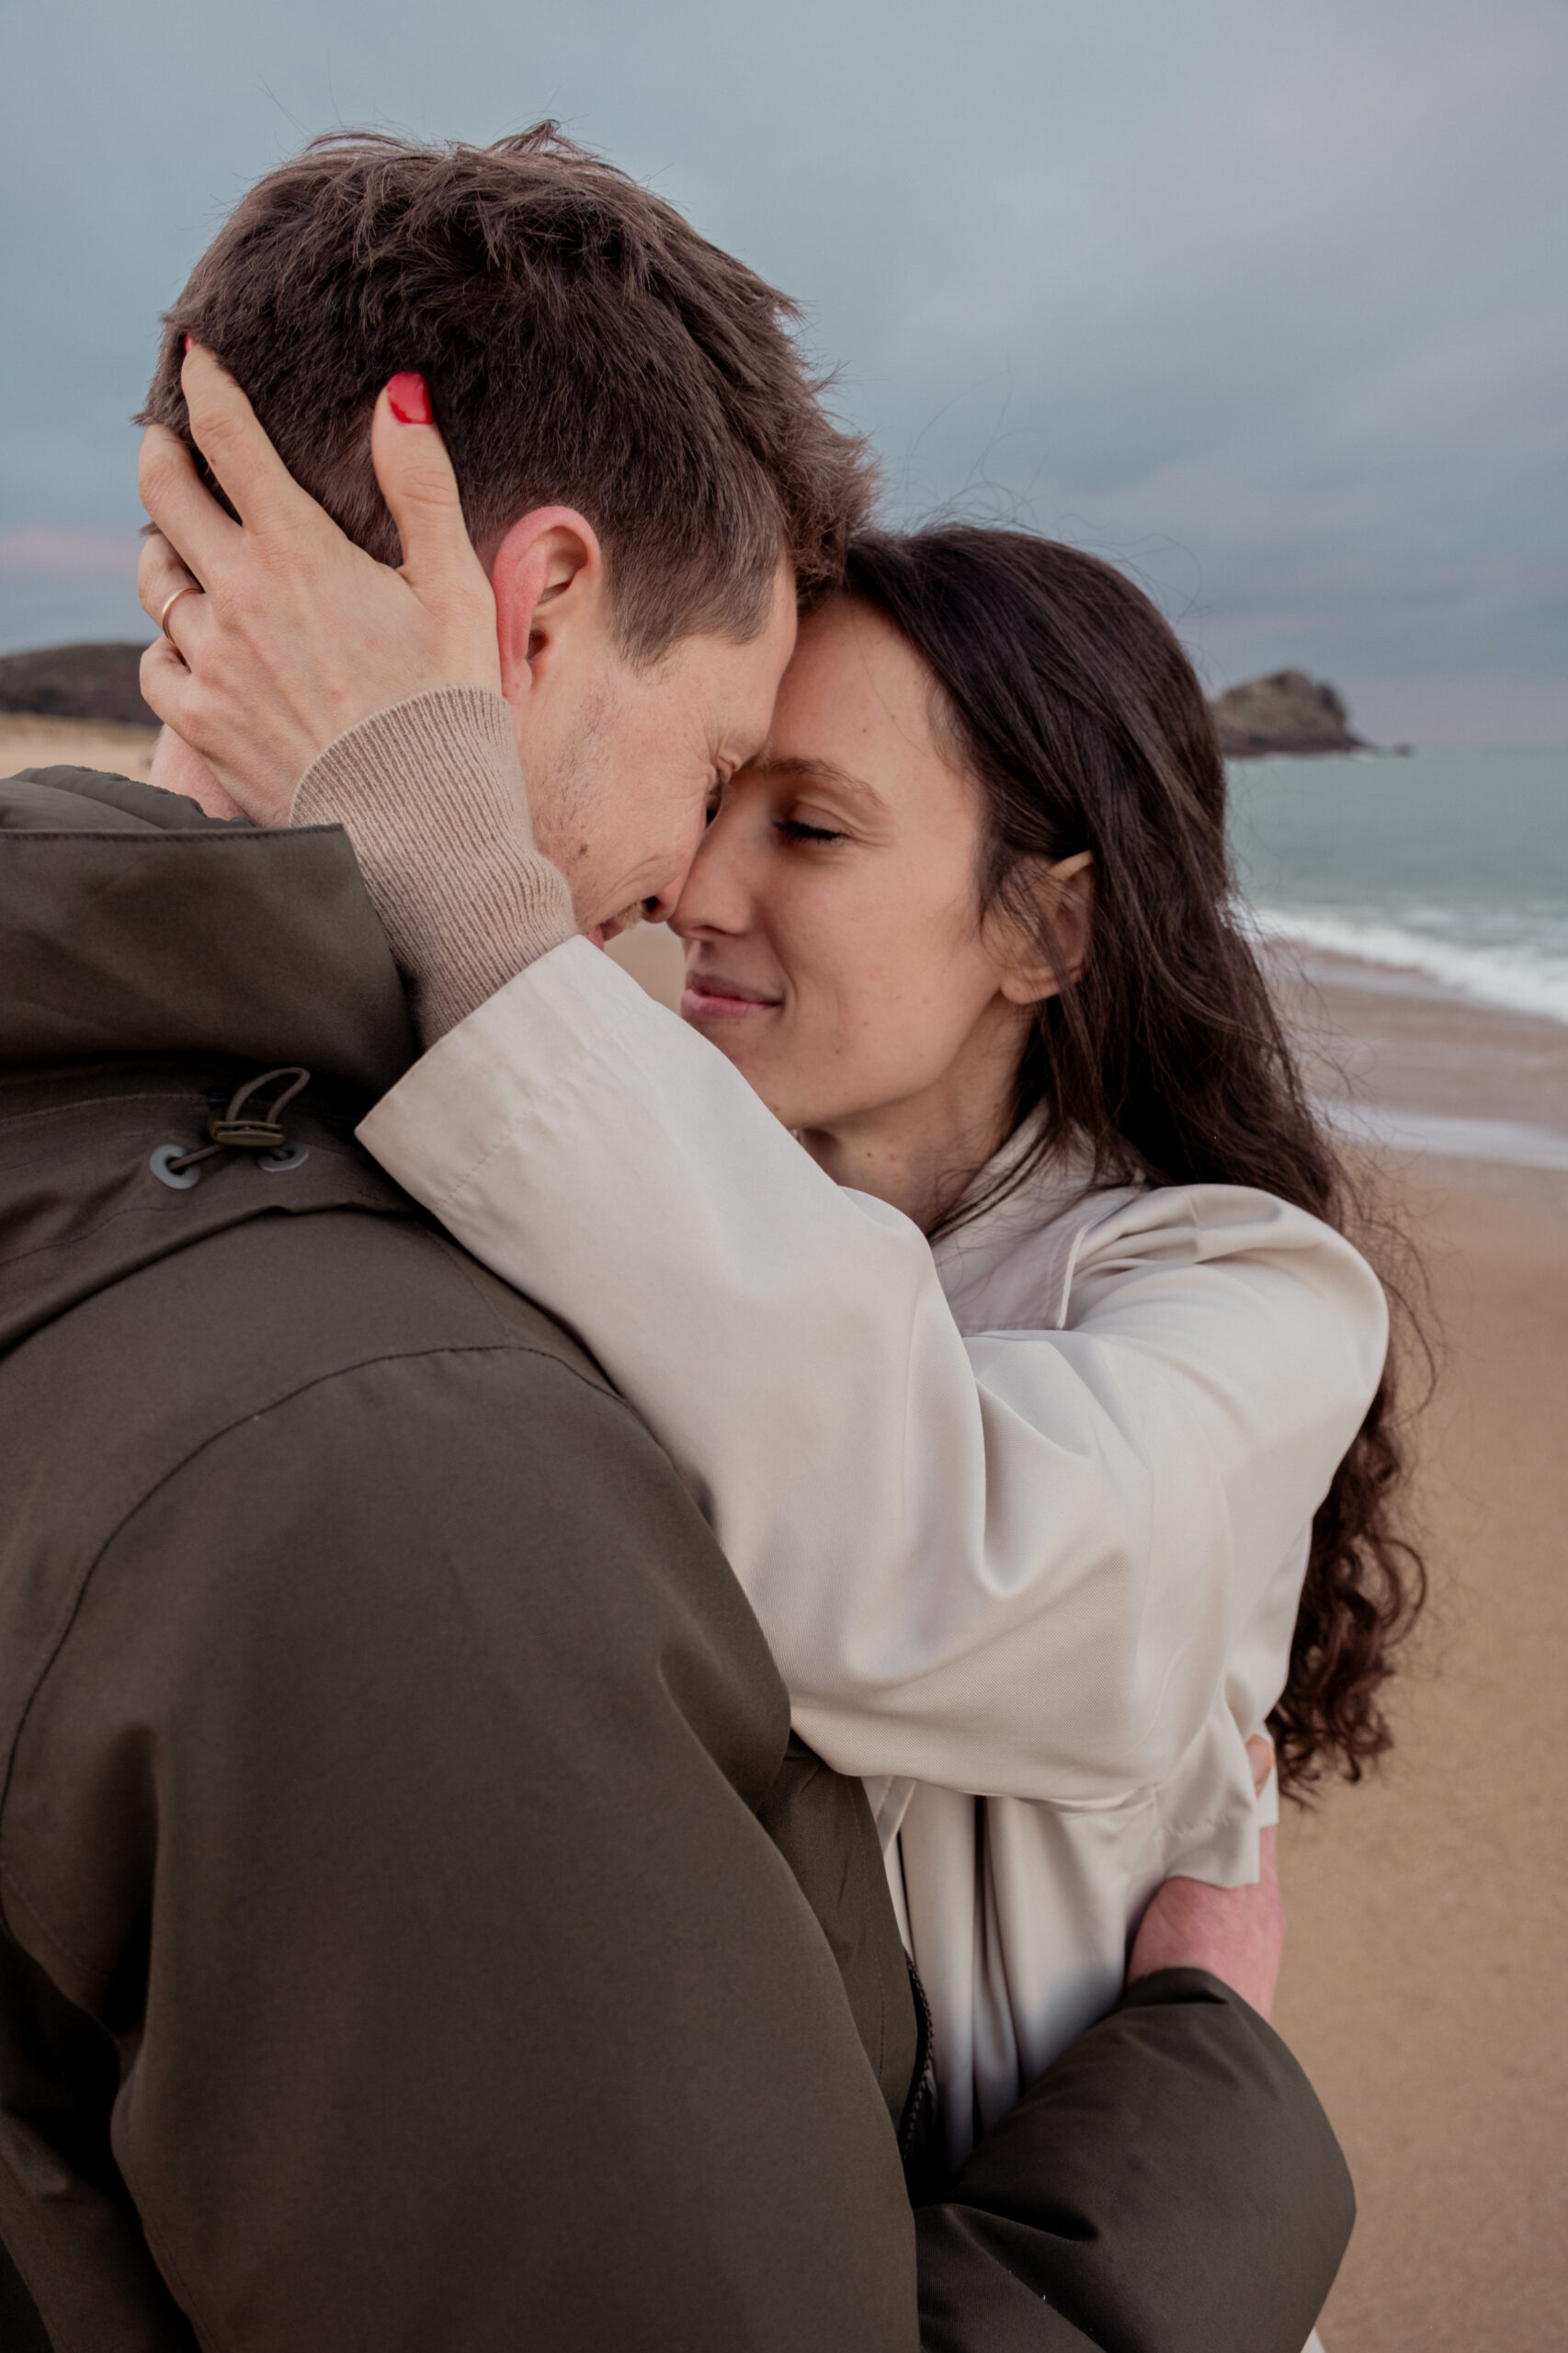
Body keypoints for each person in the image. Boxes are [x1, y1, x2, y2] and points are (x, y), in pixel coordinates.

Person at [138, 381, 1422, 2179]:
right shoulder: (614, 1204)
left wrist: (458, 869)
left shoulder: (1244, 1294)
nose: (698, 884)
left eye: (808, 829)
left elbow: (944, 1557)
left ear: (1044, 926)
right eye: (721, 794)